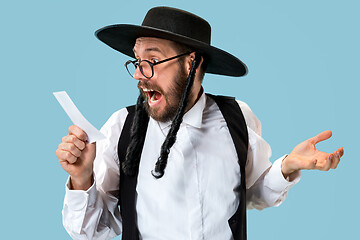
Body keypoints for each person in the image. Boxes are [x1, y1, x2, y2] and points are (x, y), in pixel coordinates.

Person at [56, 6, 344, 240]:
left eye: (152, 60)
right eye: (137, 60)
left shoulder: (237, 118)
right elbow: (91, 233)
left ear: (190, 62)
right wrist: (82, 179)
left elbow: (252, 194)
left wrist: (286, 167)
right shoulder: (122, 128)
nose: (139, 75)